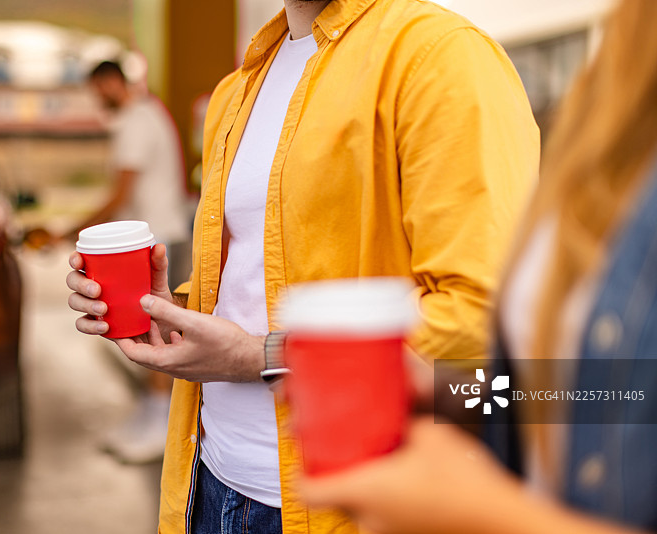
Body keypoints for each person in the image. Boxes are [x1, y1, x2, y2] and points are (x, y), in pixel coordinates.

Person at [66, 0, 539, 532]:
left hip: (350, 502)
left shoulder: (440, 55)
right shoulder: (239, 87)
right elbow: (246, 283)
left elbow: (483, 316)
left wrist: (258, 356)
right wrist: (168, 311)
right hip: (207, 481)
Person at [298, 0, 657, 532]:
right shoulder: (619, 93)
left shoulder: (449, 53)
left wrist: (481, 514)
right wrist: (454, 394)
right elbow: (600, 393)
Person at [58, 58, 191, 464]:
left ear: (112, 82)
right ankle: (150, 418)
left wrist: (71, 230)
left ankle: (162, 426)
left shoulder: (135, 122)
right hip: (156, 230)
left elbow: (119, 195)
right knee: (142, 325)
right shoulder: (148, 114)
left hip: (153, 237)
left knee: (152, 326)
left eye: (99, 90)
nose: (98, 99)